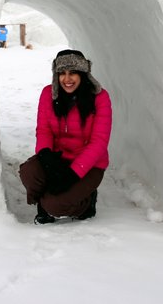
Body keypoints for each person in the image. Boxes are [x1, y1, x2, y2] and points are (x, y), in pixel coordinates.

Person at [19, 49, 112, 223]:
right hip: (58, 157)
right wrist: (46, 156)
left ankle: (87, 202)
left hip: (89, 165)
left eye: (73, 73)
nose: (67, 79)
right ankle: (44, 203)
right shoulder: (49, 94)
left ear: (83, 74)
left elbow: (99, 142)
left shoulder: (100, 98)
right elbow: (44, 130)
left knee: (56, 205)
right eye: (62, 73)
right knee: (29, 172)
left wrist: (73, 174)